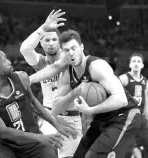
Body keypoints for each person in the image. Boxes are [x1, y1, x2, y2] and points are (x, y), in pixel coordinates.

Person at [29, 29, 142, 158]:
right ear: (62, 52)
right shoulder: (68, 73)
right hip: (102, 118)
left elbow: (121, 99)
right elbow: (55, 109)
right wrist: (74, 93)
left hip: (125, 116)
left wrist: (90, 110)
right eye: (66, 50)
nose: (71, 53)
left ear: (81, 47)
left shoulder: (96, 67)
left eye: (74, 48)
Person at [0, 45, 77, 158]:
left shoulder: (21, 77)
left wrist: (57, 125)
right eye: (4, 60)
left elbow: (33, 103)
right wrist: (39, 137)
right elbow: (4, 132)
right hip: (6, 146)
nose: (9, 62)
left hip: (34, 142)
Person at [20, 9, 82, 158]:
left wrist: (29, 79)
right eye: (47, 40)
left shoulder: (69, 58)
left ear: (60, 43)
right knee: (41, 153)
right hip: (49, 115)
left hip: (71, 117)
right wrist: (43, 28)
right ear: (41, 43)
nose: (51, 43)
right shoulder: (40, 62)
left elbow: (55, 67)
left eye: (54, 40)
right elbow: (25, 49)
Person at [119, 53, 148, 158]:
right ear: (130, 65)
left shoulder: (145, 81)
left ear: (142, 65)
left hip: (140, 119)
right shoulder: (123, 78)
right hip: (127, 119)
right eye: (134, 61)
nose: (136, 63)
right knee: (134, 151)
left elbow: (146, 102)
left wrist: (146, 119)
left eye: (139, 61)